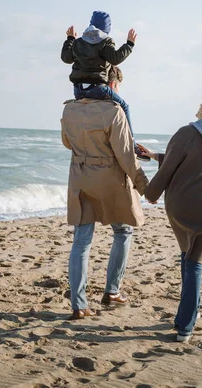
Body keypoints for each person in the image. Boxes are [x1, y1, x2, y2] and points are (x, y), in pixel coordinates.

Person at [141, 93, 202, 342]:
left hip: (180, 204)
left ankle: (185, 325)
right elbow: (191, 163)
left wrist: (150, 193)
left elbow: (172, 166)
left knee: (189, 257)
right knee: (195, 258)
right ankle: (190, 316)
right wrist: (153, 155)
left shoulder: (187, 132)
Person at [60, 65, 149, 320]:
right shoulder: (114, 110)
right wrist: (144, 186)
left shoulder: (69, 108)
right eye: (118, 87)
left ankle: (78, 304)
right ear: (112, 85)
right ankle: (112, 290)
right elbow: (126, 157)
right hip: (110, 180)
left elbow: (67, 142)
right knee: (123, 230)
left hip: (81, 178)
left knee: (82, 240)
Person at [61, 10, 149, 161]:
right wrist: (129, 44)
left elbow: (65, 58)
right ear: (106, 27)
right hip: (97, 89)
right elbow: (115, 59)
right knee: (124, 106)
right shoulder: (105, 41)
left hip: (78, 90)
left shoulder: (78, 42)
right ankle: (132, 145)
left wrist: (70, 39)